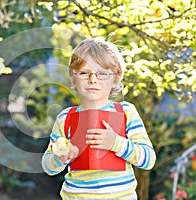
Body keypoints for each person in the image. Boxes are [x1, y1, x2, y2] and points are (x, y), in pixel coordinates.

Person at [41, 37, 156, 199]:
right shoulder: (65, 118)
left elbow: (148, 160)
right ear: (73, 77)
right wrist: (61, 157)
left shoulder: (125, 112)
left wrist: (116, 143)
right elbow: (47, 166)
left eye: (102, 73)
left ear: (115, 77)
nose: (92, 79)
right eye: (84, 73)